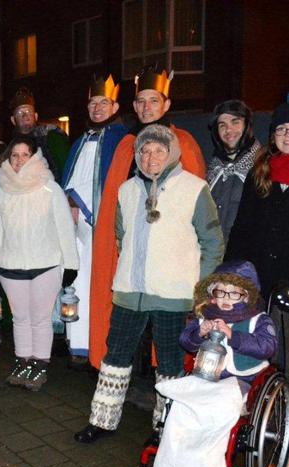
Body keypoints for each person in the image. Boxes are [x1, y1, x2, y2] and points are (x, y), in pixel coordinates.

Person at [75, 125, 224, 443]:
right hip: (130, 291)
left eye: (158, 150)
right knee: (115, 354)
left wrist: (199, 287)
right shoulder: (127, 190)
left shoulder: (194, 188)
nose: (150, 156)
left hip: (174, 294)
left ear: (171, 153)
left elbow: (213, 242)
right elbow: (121, 235)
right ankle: (102, 419)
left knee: (169, 361)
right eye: (144, 151)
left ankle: (166, 427)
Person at [87, 65, 206, 373]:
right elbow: (117, 204)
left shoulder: (185, 144)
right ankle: (109, 412)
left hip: (168, 264)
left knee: (167, 348)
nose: (146, 107)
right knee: (122, 337)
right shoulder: (127, 145)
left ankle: (165, 413)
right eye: (141, 101)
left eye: (153, 100)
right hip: (131, 258)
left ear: (166, 104)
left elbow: (195, 213)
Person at [226, 99, 289, 444]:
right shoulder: (262, 174)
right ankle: (258, 423)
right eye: (281, 129)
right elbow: (243, 229)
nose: (288, 134)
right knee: (257, 355)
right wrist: (233, 274)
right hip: (261, 286)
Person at [152, 260, 277, 467]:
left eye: (234, 293)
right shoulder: (204, 314)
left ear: (246, 293)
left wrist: (234, 337)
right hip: (205, 378)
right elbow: (186, 341)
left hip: (239, 382)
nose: (225, 300)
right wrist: (200, 332)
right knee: (180, 411)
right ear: (212, 292)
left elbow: (268, 347)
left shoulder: (258, 319)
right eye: (220, 292)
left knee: (214, 414)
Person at [0, 136, 78, 390]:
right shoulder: (3, 191)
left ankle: (40, 364)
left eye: (24, 155)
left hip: (45, 264)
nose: (18, 160)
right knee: (20, 318)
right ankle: (23, 360)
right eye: (14, 155)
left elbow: (64, 229)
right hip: (10, 265)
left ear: (34, 157)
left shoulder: (50, 189)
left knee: (41, 318)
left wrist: (71, 264)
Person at [61, 75, 127, 369]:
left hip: (103, 227)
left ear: (115, 105)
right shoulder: (79, 141)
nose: (97, 108)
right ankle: (77, 342)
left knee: (100, 285)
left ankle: (99, 344)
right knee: (76, 281)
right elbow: (70, 181)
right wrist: (70, 202)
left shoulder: (122, 140)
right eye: (93, 103)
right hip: (77, 226)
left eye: (103, 102)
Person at [207, 100, 261, 243]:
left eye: (235, 122)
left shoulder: (262, 168)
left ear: (247, 125)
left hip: (245, 258)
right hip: (214, 256)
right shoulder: (214, 170)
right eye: (222, 125)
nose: (229, 130)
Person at [9, 87, 70, 183]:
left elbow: (66, 169)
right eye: (20, 112)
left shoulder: (52, 137)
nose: (25, 115)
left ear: (36, 116)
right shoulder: (10, 149)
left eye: (29, 111)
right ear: (13, 120)